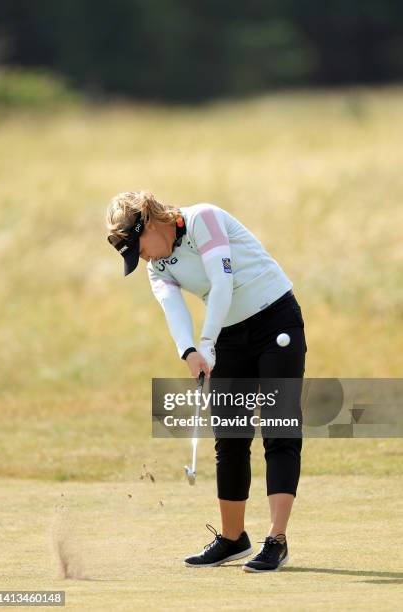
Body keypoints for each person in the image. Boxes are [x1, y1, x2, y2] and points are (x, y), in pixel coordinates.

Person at [106, 190, 307, 573]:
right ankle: (234, 539)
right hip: (229, 332)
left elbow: (222, 282)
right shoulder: (157, 265)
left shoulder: (204, 219)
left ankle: (276, 541)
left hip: (276, 320)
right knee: (229, 436)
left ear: (149, 223)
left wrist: (208, 342)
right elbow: (173, 309)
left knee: (280, 429)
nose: (144, 258)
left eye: (140, 248)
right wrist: (190, 351)